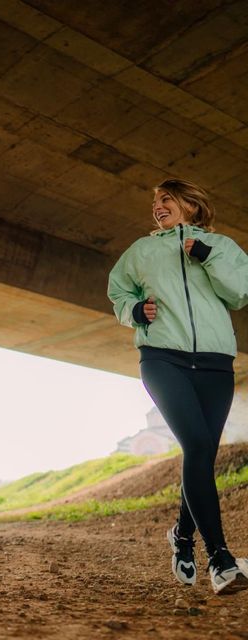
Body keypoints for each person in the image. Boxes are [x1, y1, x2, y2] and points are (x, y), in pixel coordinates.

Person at [108, 178, 248, 595]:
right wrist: (134, 310)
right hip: (162, 358)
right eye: (155, 201)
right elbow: (118, 291)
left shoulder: (222, 247)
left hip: (215, 362)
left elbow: (240, 292)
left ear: (191, 204)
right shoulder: (142, 251)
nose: (158, 206)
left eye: (166, 199)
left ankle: (182, 537)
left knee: (201, 454)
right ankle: (221, 559)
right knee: (199, 448)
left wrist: (206, 257)